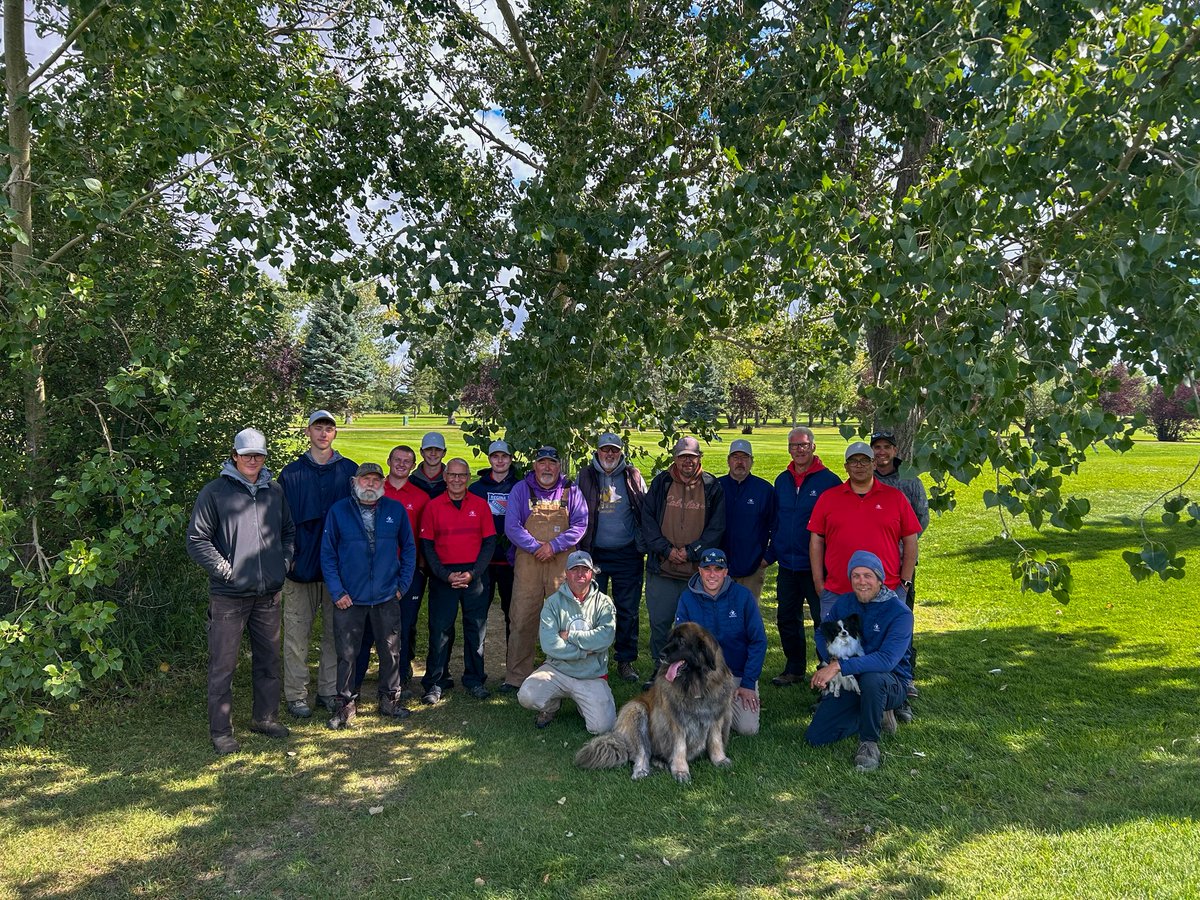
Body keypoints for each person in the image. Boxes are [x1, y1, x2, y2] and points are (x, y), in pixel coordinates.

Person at [186, 428, 295, 755]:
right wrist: (225, 571)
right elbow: (197, 539)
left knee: (269, 661)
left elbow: (288, 532)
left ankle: (265, 718)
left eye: (258, 455)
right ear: (234, 455)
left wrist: (283, 564)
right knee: (223, 666)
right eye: (246, 454)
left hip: (268, 595)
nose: (252, 460)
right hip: (229, 597)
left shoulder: (274, 491)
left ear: (264, 457)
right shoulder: (215, 492)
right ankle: (221, 732)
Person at [320, 462, 417, 728]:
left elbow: (409, 549)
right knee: (347, 654)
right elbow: (327, 555)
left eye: (375, 480)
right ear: (355, 482)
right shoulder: (339, 511)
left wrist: (402, 585)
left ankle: (389, 701)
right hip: (349, 598)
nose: (370, 485)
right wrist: (337, 591)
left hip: (386, 596)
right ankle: (346, 706)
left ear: (383, 483)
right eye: (365, 480)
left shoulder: (395, 510)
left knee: (390, 651)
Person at [277, 410, 358, 718]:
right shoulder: (292, 473)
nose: (323, 433)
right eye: (318, 428)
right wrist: (287, 559)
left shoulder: (348, 471)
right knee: (297, 635)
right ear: (308, 432)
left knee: (334, 635)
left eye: (329, 428)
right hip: (300, 568)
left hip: (338, 570)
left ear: (335, 433)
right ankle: (296, 695)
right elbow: (280, 522)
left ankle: (328, 690)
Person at [806, 551, 913, 772]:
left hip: (889, 682)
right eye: (855, 576)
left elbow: (886, 660)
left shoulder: (899, 613)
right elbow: (821, 632)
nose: (861, 582)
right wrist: (831, 657)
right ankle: (872, 712)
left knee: (873, 680)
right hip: (851, 678)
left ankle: (869, 742)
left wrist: (838, 666)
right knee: (817, 737)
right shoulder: (844, 603)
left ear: (880, 579)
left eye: (867, 575)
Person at [501, 447, 588, 692]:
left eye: (552, 463)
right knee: (521, 619)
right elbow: (512, 526)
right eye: (542, 463)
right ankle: (516, 676)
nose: (547, 468)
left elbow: (581, 523)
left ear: (559, 466)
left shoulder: (571, 490)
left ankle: (565, 672)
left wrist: (554, 546)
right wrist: (535, 546)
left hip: (561, 566)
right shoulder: (521, 489)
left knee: (565, 620)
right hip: (528, 563)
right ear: (535, 466)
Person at [641, 436, 726, 685]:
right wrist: (666, 549)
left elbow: (716, 528)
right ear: (675, 458)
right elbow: (648, 520)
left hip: (696, 574)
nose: (687, 461)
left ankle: (696, 674)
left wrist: (691, 551)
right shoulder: (661, 482)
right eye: (682, 456)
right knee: (660, 625)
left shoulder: (711, 486)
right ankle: (661, 673)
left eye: (692, 456)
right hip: (662, 569)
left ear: (700, 458)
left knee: (697, 629)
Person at [763, 427, 841, 687]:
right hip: (788, 564)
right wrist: (772, 553)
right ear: (789, 449)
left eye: (804, 445)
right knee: (787, 617)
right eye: (794, 446)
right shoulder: (782, 481)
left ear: (813, 448)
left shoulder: (829, 481)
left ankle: (826, 669)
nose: (799, 450)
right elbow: (777, 521)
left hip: (817, 567)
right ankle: (794, 667)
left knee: (823, 619)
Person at [808, 442, 921, 619]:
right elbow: (816, 540)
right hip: (838, 592)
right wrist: (818, 582)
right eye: (853, 461)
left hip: (887, 591)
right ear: (846, 467)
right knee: (836, 645)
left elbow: (910, 540)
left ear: (874, 464)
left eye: (865, 461)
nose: (859, 466)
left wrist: (905, 582)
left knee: (888, 646)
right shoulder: (828, 498)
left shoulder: (895, 498)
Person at [419, 457, 497, 704]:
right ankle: (436, 681)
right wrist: (444, 575)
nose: (456, 479)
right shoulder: (433, 506)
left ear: (468, 478)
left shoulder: (480, 505)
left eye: (461, 475)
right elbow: (427, 546)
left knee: (476, 629)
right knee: (441, 630)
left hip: (474, 575)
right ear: (445, 477)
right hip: (444, 576)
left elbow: (489, 543)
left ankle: (475, 679)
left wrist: (473, 573)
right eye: (451, 475)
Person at [518, 550, 617, 732]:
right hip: (557, 670)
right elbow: (549, 644)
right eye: (574, 569)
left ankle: (584, 703)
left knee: (603, 727)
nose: (580, 574)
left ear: (591, 573)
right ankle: (551, 706)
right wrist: (584, 651)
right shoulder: (553, 603)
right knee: (527, 695)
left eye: (585, 569)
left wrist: (570, 635)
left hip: (591, 674)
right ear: (566, 573)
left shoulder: (604, 603)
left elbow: (605, 638)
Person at [576, 431, 648, 683]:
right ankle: (593, 657)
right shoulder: (585, 476)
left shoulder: (632, 475)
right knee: (593, 610)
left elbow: (644, 509)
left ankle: (625, 660)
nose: (609, 454)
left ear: (620, 453)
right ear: (597, 452)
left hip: (628, 553)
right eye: (605, 450)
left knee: (627, 610)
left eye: (614, 450)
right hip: (594, 554)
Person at [673, 548, 767, 736]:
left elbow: (759, 641)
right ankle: (713, 708)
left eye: (718, 569)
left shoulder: (743, 597)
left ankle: (725, 708)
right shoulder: (687, 599)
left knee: (747, 729)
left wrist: (748, 683)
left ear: (726, 572)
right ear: (699, 570)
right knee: (693, 725)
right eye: (707, 569)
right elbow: (682, 643)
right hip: (704, 676)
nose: (712, 574)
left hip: (737, 675)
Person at [871, 429, 930, 700]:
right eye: (877, 447)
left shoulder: (910, 480)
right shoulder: (865, 477)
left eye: (886, 447)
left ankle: (905, 679)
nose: (881, 452)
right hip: (870, 564)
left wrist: (903, 545)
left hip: (900, 564)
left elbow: (921, 518)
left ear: (895, 451)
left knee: (901, 618)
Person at [377, 443, 430, 695]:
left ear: (413, 465)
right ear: (388, 461)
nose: (401, 464)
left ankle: (402, 673)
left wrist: (420, 568)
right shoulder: (375, 490)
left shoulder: (420, 497)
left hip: (408, 571)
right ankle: (381, 671)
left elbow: (424, 538)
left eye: (407, 461)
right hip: (376, 570)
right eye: (397, 459)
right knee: (375, 622)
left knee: (405, 623)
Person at [468, 440, 520, 645]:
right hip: (484, 563)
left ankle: (513, 669)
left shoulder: (520, 487)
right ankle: (475, 671)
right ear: (489, 459)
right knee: (478, 616)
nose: (500, 460)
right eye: (495, 456)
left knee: (513, 616)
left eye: (504, 456)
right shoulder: (476, 489)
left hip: (512, 562)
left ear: (511, 459)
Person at [718, 439, 777, 601]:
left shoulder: (764, 490)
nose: (740, 462)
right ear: (728, 461)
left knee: (747, 617)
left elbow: (777, 527)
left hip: (752, 567)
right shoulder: (716, 487)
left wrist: (768, 558)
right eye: (735, 457)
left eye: (744, 457)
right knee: (718, 617)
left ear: (752, 462)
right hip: (717, 567)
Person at [409, 432, 448, 497]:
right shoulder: (411, 482)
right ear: (421, 452)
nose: (433, 453)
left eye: (438, 450)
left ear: (444, 453)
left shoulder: (451, 482)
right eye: (428, 449)